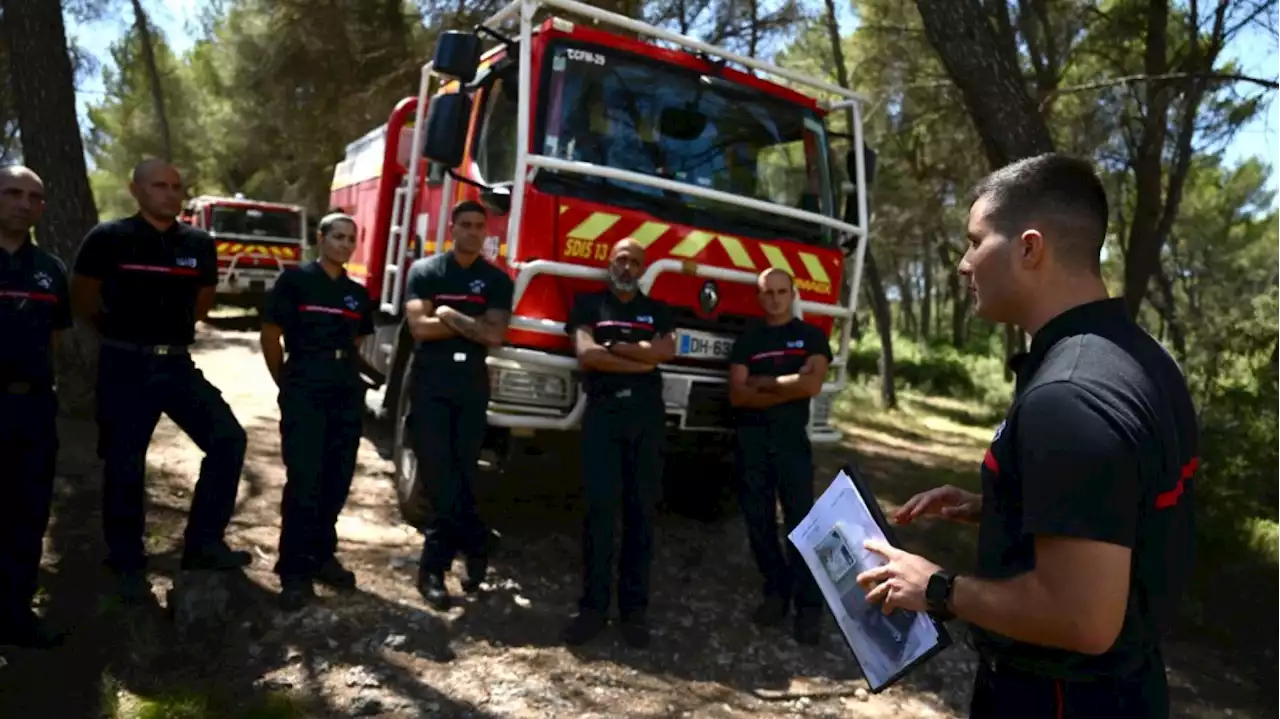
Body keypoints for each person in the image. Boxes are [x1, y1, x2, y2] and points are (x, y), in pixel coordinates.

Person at [853, 154, 1197, 719]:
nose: (964, 265)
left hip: (1059, 700)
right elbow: (1122, 511)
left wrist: (938, 587)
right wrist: (1004, 505)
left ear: (1029, 248)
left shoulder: (1069, 395)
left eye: (974, 242)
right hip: (1126, 688)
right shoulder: (1143, 357)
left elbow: (1082, 619)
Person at [71, 159, 250, 602]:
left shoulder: (198, 243)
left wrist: (167, 332)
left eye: (177, 186)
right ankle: (127, 561)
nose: (170, 193)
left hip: (176, 365)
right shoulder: (109, 238)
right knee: (125, 462)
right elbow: (83, 297)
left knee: (228, 439)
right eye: (159, 186)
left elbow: (202, 303)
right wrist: (124, 334)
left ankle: (204, 544)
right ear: (136, 190)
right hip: (125, 365)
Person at [561, 238, 675, 649]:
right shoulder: (589, 305)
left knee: (641, 515)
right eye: (621, 259)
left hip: (646, 419)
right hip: (603, 416)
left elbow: (668, 349)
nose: (627, 267)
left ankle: (634, 614)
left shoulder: (657, 310)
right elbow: (587, 355)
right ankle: (592, 610)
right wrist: (641, 359)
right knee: (599, 513)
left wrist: (620, 349)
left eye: (634, 261)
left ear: (643, 269)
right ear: (610, 263)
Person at [260, 212, 374, 611]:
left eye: (350, 239)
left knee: (337, 477)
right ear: (321, 238)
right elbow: (271, 336)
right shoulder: (295, 281)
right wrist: (285, 383)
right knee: (305, 478)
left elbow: (357, 339)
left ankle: (323, 557)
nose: (344, 244)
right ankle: (293, 570)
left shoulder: (356, 294)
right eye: (337, 237)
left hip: (344, 386)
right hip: (305, 382)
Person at [402, 200, 512, 610]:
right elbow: (419, 328)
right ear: (452, 228)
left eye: (478, 226)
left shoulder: (497, 280)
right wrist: (470, 324)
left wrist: (447, 313)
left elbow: (494, 336)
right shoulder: (425, 271)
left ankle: (432, 570)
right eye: (464, 224)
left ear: (486, 232)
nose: (471, 231)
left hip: (471, 386)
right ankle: (477, 541)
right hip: (430, 382)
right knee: (436, 474)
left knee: (463, 472)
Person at [726, 268, 831, 645]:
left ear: (792, 294)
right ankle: (776, 592)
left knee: (801, 527)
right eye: (767, 292)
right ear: (759, 297)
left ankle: (808, 610)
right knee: (759, 524)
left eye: (781, 291)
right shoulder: (748, 340)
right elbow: (737, 395)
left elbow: (813, 384)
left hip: (791, 444)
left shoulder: (811, 337)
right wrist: (790, 384)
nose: (774, 298)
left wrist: (762, 382)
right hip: (751, 443)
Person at [0, 166, 71, 647]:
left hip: (32, 410)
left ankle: (15, 616)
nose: (25, 204)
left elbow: (57, 339)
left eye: (36, 197)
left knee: (28, 514)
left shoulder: (51, 268)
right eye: (13, 193)